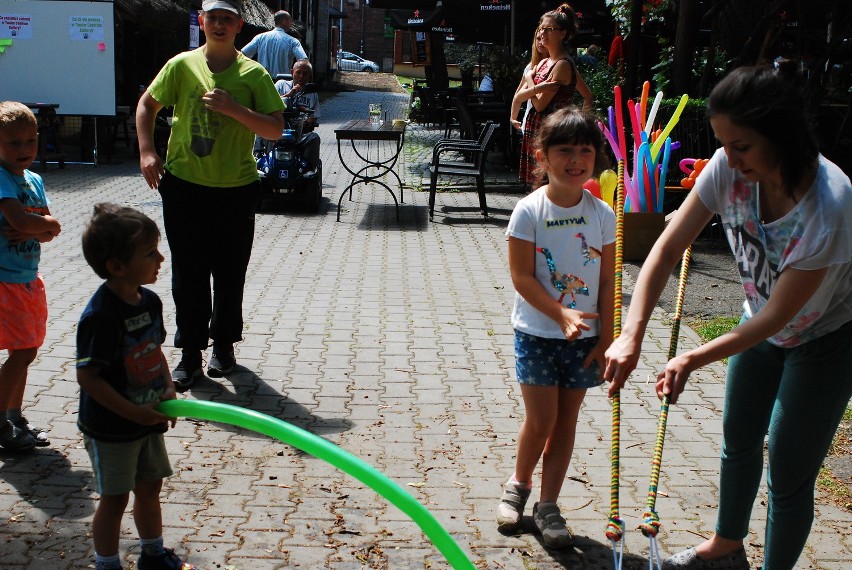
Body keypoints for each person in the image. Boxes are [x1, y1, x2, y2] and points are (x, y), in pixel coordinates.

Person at [603, 64, 852, 570]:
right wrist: (631, 334)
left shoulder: (830, 205)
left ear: (780, 135)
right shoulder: (725, 168)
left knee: (787, 468)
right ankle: (726, 546)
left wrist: (690, 357)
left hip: (824, 337)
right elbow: (666, 249)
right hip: (757, 321)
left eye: (741, 146)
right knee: (738, 439)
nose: (729, 158)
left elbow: (782, 315)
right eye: (723, 144)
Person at [135, 0, 285, 390]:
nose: (219, 25)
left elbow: (274, 129)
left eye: (227, 20)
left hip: (235, 189)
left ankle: (223, 346)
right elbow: (147, 105)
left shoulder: (254, 74)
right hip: (184, 185)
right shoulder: (181, 65)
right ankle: (189, 354)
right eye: (212, 18)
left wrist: (234, 108)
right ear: (202, 22)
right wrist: (147, 150)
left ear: (239, 26)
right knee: (189, 273)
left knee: (230, 272)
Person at [497, 107, 615, 548]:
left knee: (567, 422)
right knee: (542, 419)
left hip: (585, 339)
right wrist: (561, 314)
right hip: (537, 334)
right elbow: (522, 277)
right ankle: (518, 486)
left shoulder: (602, 214)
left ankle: (549, 505)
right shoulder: (528, 211)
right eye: (565, 150)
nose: (577, 159)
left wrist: (608, 336)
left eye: (585, 150)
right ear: (542, 154)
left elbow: (607, 279)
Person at [76, 203, 193, 570]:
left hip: (147, 419)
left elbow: (154, 350)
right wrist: (133, 413)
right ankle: (107, 564)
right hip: (112, 427)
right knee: (114, 499)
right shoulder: (101, 316)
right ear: (117, 266)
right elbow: (89, 378)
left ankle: (153, 554)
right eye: (150, 252)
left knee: (150, 488)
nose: (161, 258)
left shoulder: (150, 301)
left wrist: (167, 389)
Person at [0, 101, 62, 452]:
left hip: (26, 277)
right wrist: (43, 226)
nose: (23, 150)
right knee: (22, 352)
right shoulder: (1, 177)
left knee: (26, 350)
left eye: (30, 141)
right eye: (13, 143)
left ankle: (14, 417)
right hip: (4, 281)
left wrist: (44, 226)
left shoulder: (34, 179)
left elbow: (47, 227)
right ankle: (1, 423)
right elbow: (25, 223)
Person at [519, 3, 594, 190]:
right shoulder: (546, 61)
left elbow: (539, 105)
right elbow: (587, 95)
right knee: (536, 186)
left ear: (562, 34)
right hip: (538, 129)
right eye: (541, 28)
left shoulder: (562, 64)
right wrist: (533, 84)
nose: (542, 33)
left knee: (545, 185)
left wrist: (580, 126)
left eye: (549, 29)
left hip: (551, 131)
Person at [274, 59, 320, 171]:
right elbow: (270, 102)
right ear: (292, 72)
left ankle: (308, 171)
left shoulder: (312, 94)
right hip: (277, 129)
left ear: (310, 76)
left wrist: (304, 121)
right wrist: (290, 94)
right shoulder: (281, 85)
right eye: (298, 72)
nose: (301, 76)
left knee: (314, 138)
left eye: (305, 74)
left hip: (299, 132)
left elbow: (314, 117)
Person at [241, 10, 308, 79]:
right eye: (290, 21)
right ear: (284, 21)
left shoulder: (260, 38)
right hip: (283, 82)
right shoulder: (293, 41)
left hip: (263, 81)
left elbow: (243, 54)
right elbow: (304, 61)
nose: (291, 24)